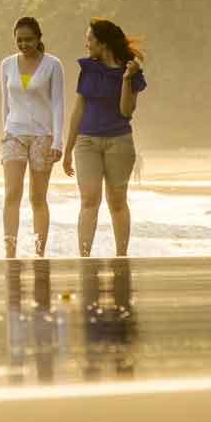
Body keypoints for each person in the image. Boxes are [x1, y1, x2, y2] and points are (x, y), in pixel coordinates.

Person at [62, 18, 146, 257]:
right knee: (89, 199)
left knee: (117, 201)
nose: (86, 44)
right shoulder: (88, 69)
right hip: (86, 142)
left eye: (89, 39)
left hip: (119, 141)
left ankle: (121, 256)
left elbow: (126, 111)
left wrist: (126, 79)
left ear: (103, 43)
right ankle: (84, 256)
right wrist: (68, 149)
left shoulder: (130, 71)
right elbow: (78, 109)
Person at [0, 17, 64, 258]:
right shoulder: (6, 65)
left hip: (42, 136)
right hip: (14, 134)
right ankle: (10, 251)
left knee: (37, 197)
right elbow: (5, 103)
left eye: (29, 40)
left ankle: (39, 252)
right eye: (19, 40)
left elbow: (58, 104)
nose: (24, 44)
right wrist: (4, 132)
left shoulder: (52, 65)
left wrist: (57, 141)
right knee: (11, 193)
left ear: (38, 39)